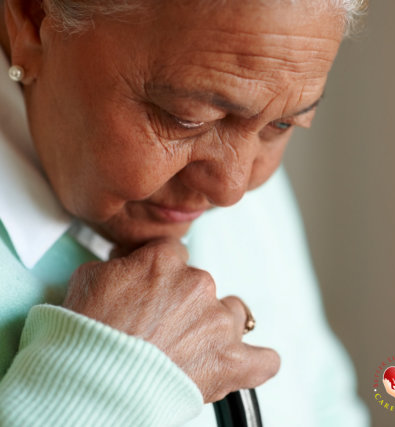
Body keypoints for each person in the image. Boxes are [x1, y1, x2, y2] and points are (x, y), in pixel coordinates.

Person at [0, 0, 369, 425]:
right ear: (32, 18)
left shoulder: (240, 136)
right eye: (185, 119)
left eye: (282, 125)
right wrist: (103, 389)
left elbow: (325, 404)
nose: (232, 192)